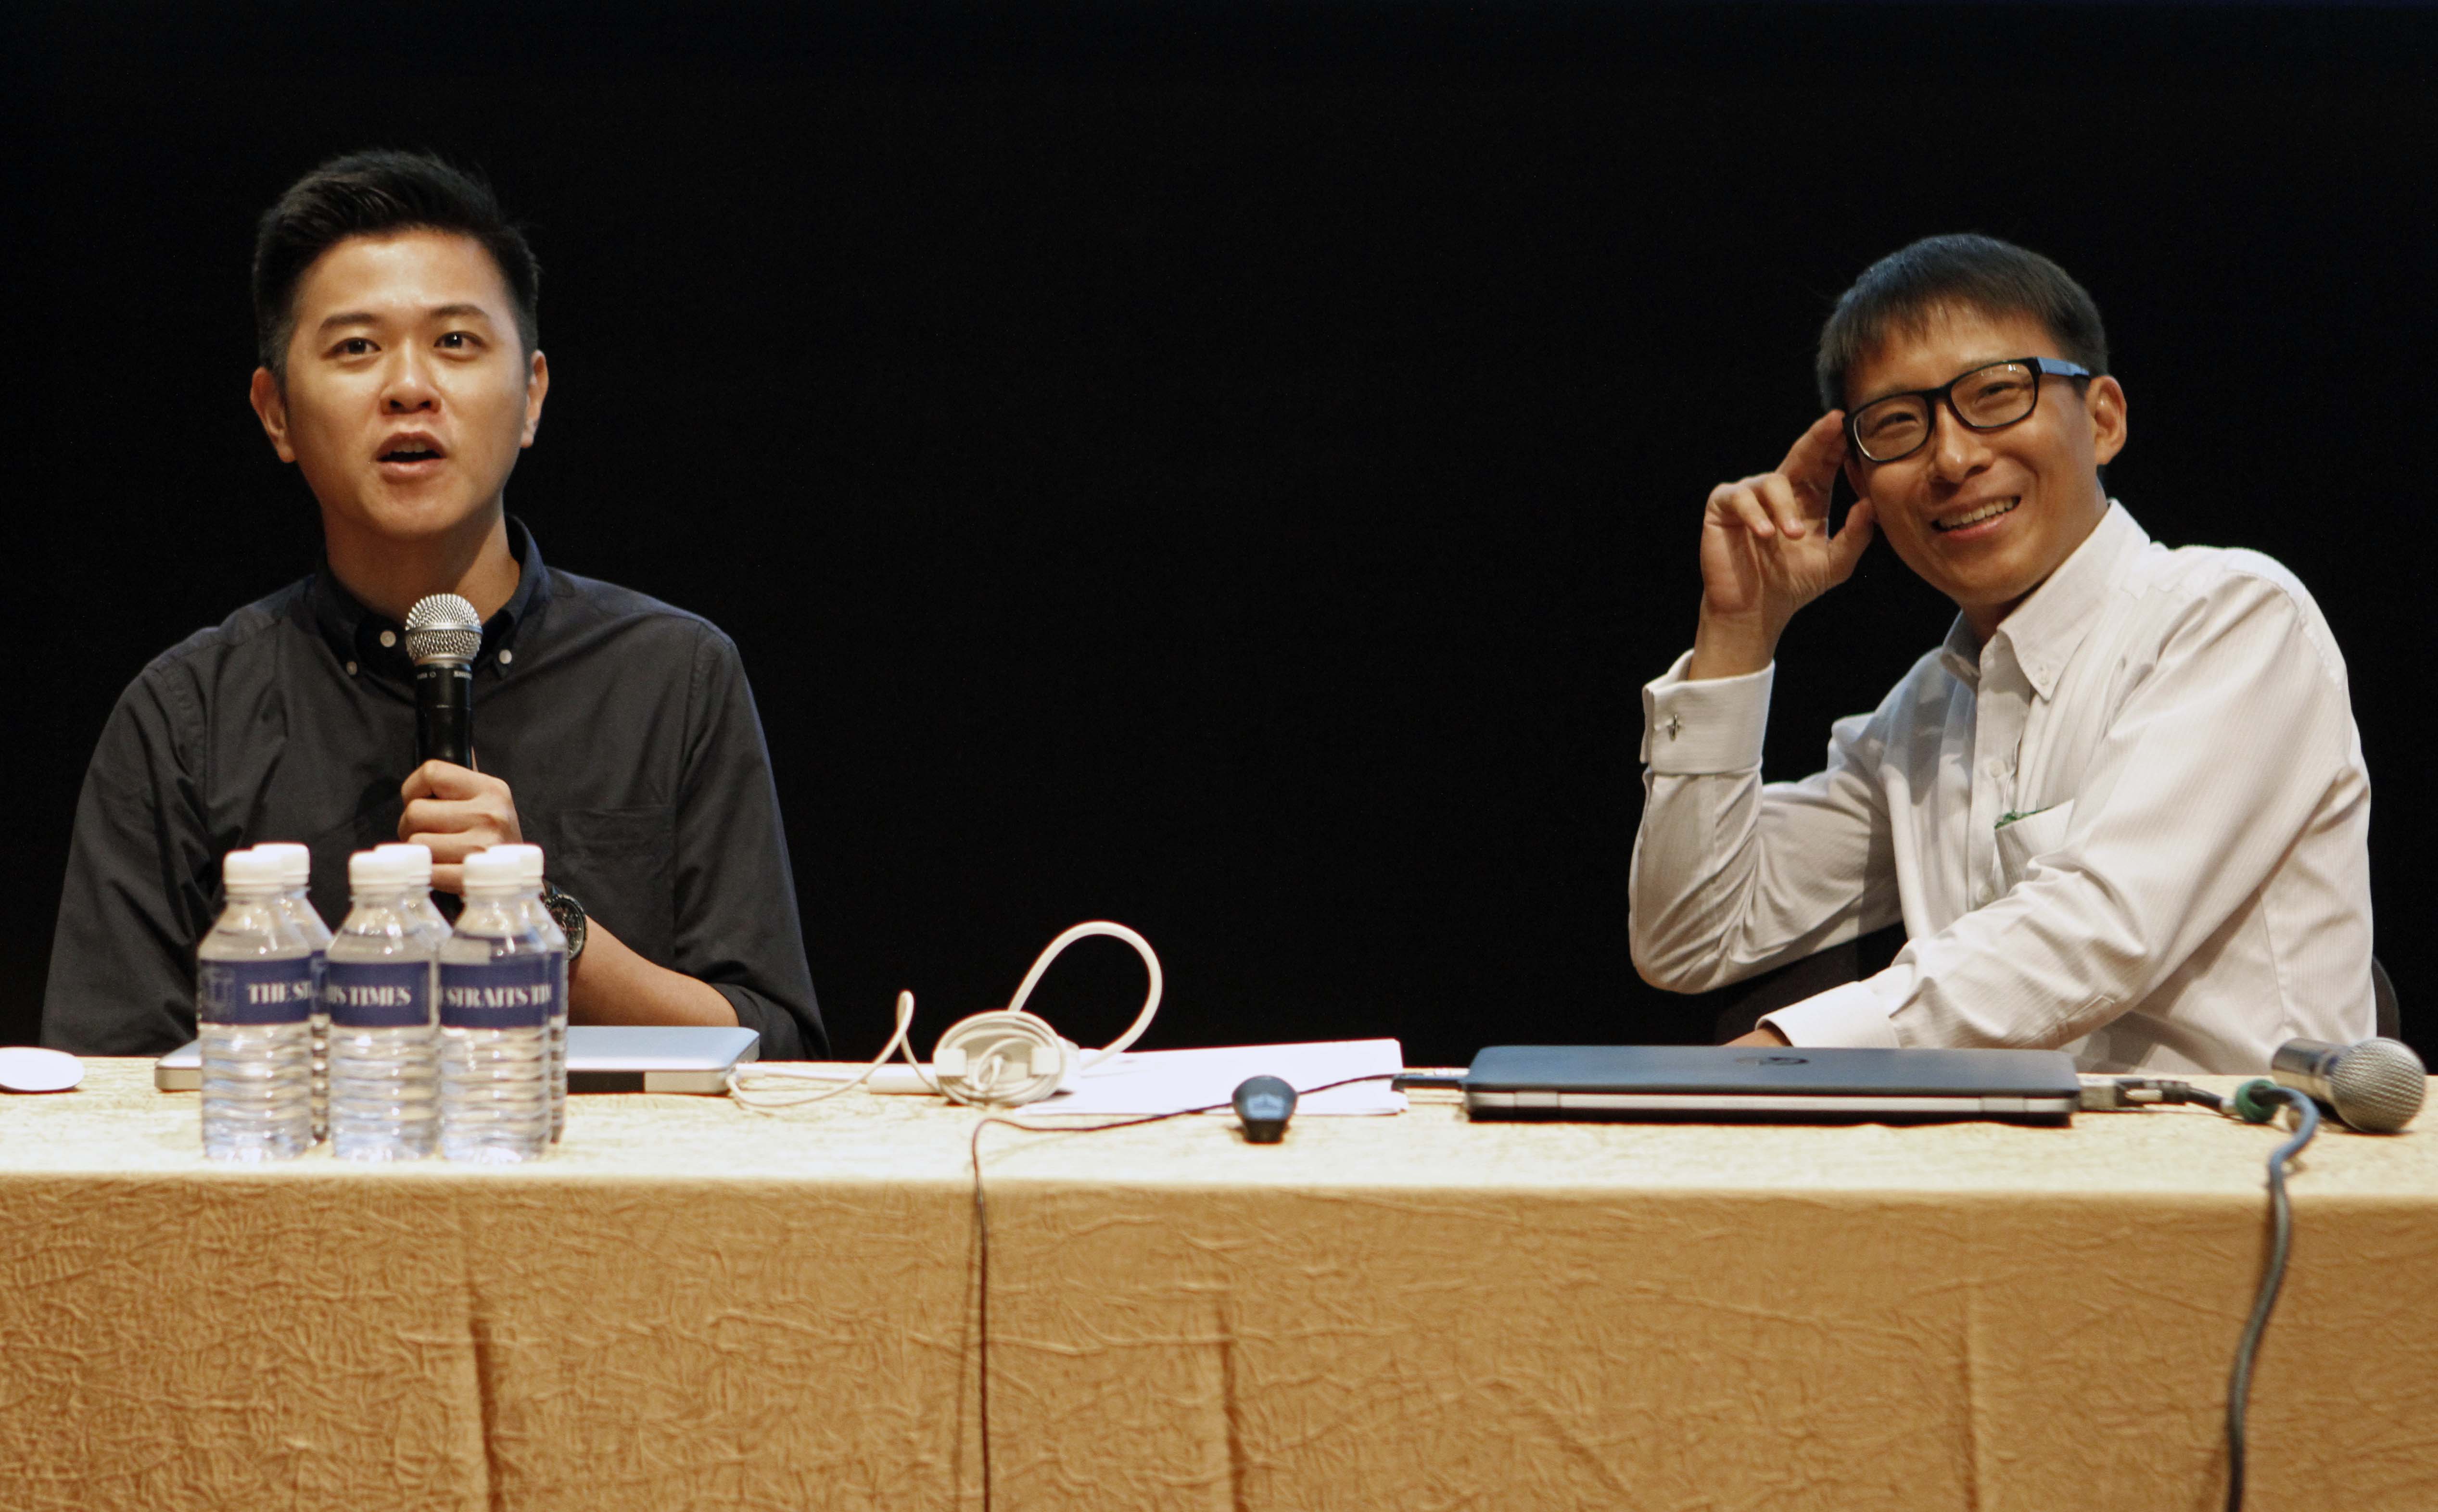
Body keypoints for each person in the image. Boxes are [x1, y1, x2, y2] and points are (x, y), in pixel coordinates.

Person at [42, 150, 825, 1058]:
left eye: (455, 342)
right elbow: (103, 1090)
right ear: (277, 415)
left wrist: (539, 925)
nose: (410, 386)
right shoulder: (186, 719)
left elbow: (780, 1058)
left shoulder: (674, 676)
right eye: (356, 347)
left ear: (530, 396)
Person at [1628, 234, 2372, 1073]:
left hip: (2247, 1179)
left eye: (1996, 394)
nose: (1954, 457)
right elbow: (1691, 937)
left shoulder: (2231, 617)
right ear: (1864, 487)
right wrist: (1738, 629)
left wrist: (1793, 1054)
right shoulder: (1929, 715)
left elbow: (2100, 929)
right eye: (1900, 426)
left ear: (2103, 420)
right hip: (2007, 1186)